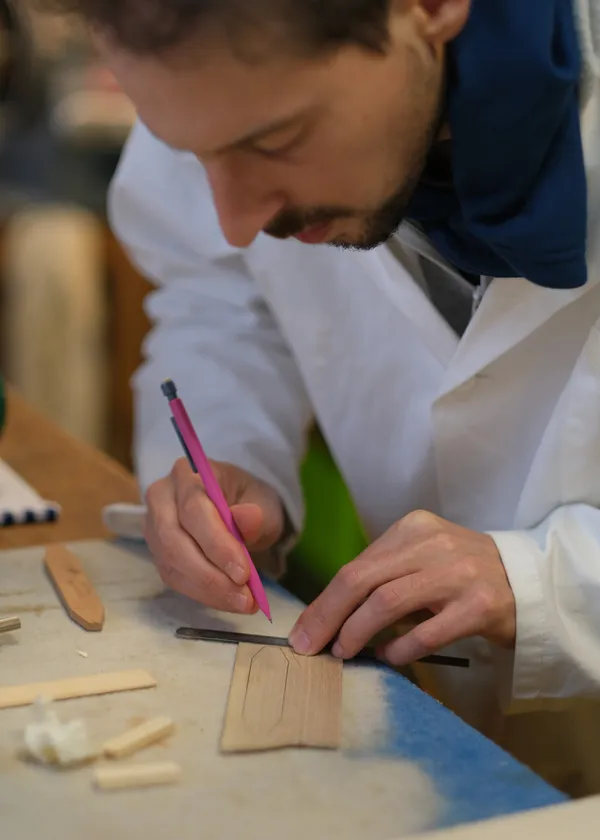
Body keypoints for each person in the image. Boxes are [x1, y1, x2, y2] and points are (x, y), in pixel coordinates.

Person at [52, 0, 600, 794]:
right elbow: (220, 289)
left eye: (274, 141)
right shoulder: (218, 65)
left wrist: (550, 584)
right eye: (192, 154)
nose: (237, 219)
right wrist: (234, 458)